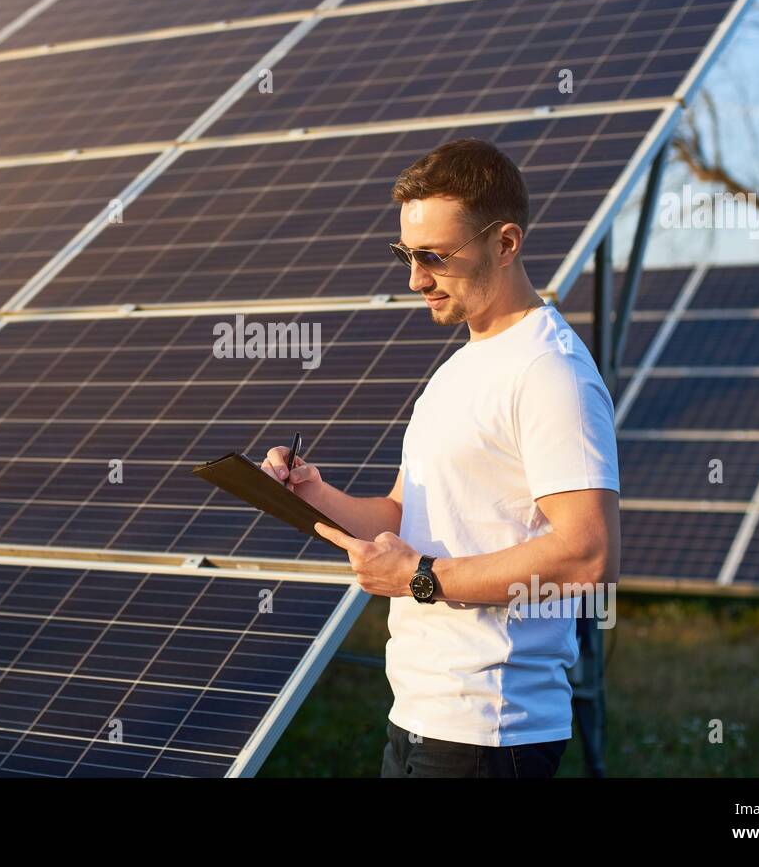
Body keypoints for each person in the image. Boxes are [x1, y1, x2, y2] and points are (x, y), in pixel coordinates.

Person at [260, 138, 620, 778]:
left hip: (491, 731)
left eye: (435, 257)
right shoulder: (458, 369)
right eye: (407, 254)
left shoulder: (550, 372)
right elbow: (402, 516)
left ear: (505, 243)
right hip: (420, 716)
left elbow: (588, 556)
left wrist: (420, 577)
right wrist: (312, 494)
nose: (414, 278)